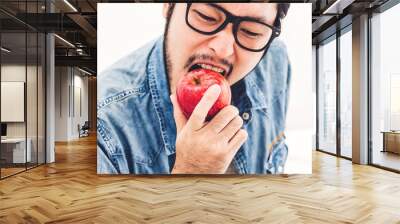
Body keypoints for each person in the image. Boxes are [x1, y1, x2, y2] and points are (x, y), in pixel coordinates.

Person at [97, 3, 291, 174]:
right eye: (206, 16)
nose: (222, 49)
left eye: (251, 31)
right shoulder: (104, 130)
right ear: (168, 5)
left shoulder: (275, 61)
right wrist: (191, 171)